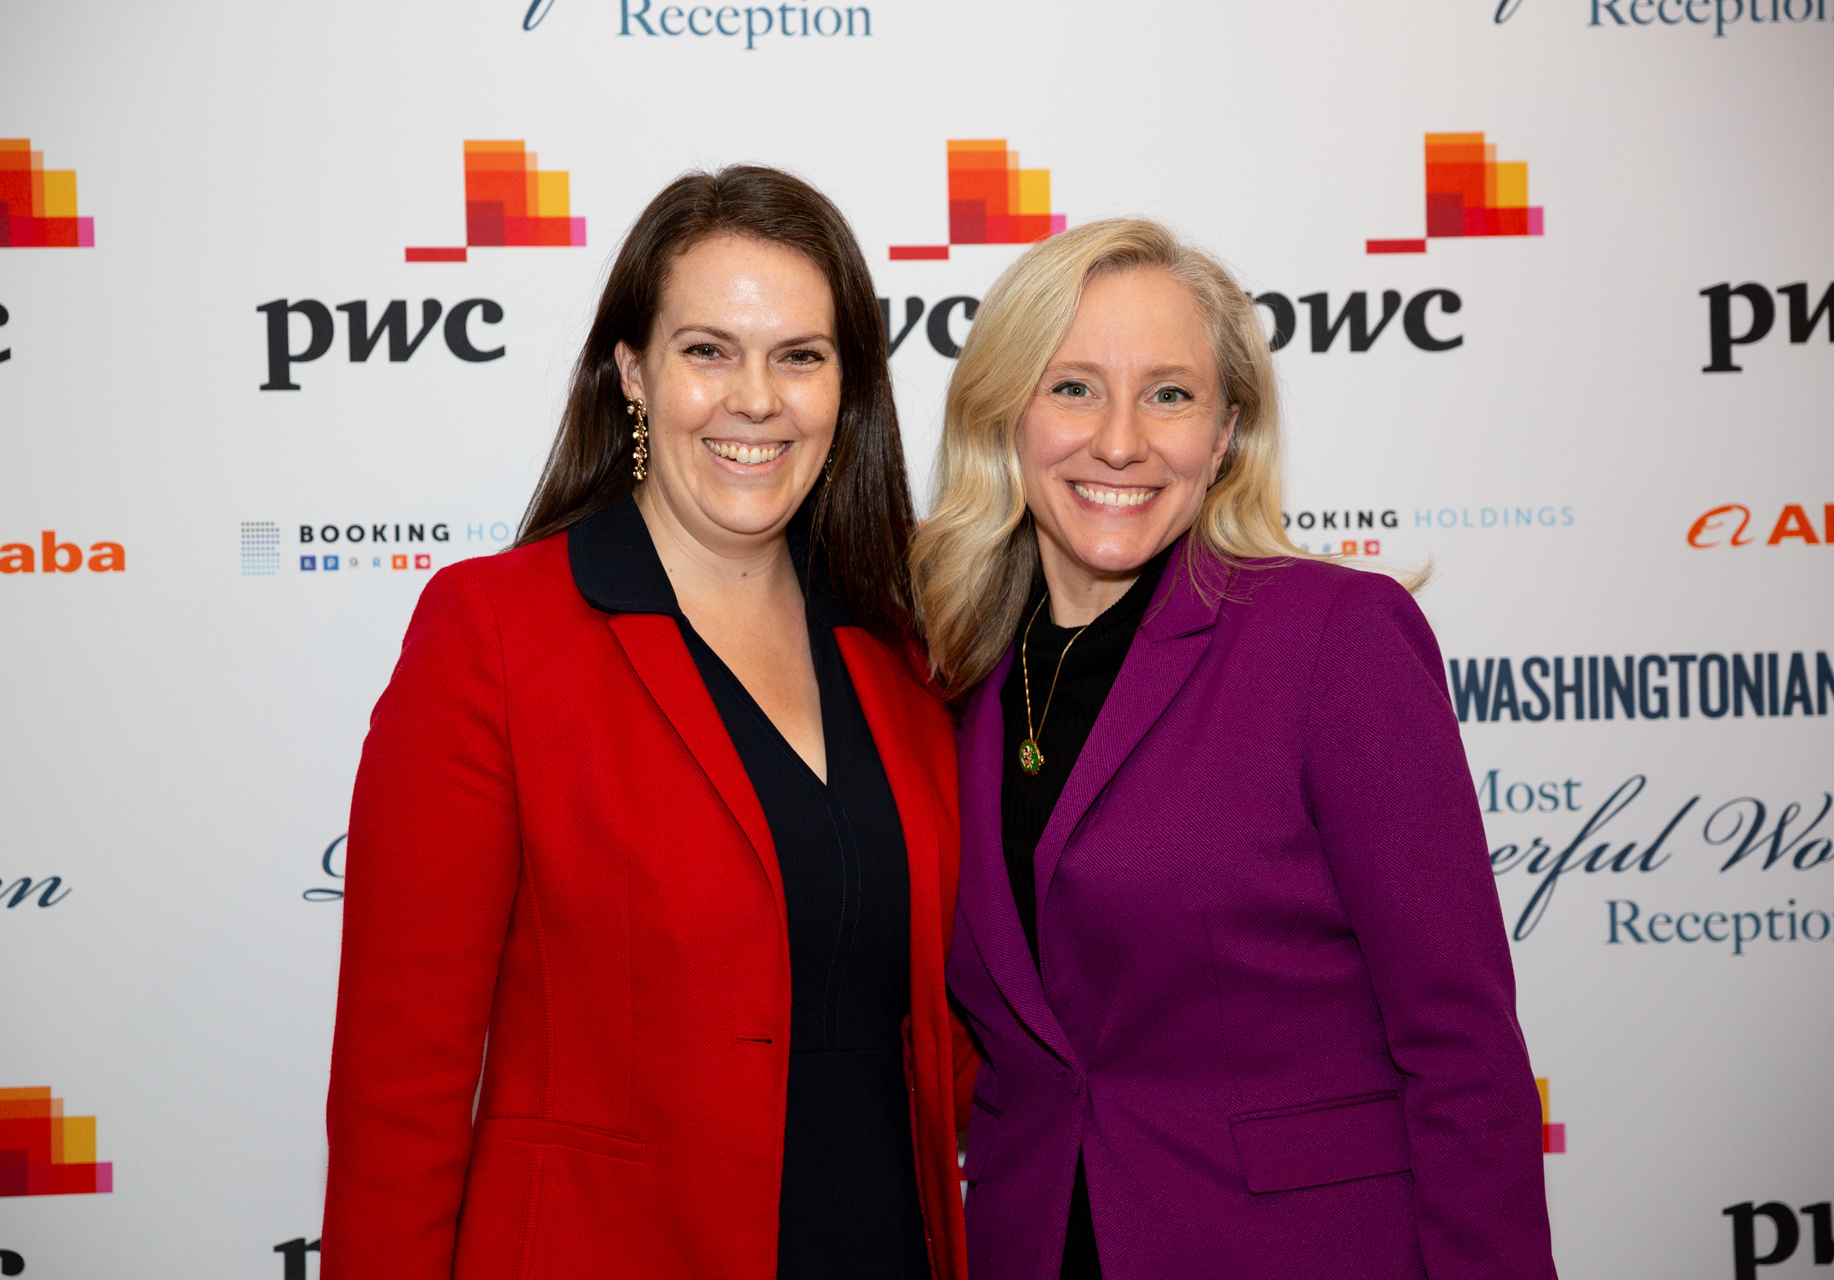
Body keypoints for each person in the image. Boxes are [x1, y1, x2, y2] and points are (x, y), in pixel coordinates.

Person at [321, 166, 970, 1280]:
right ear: (632, 370)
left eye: (800, 356)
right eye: (707, 349)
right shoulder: (495, 633)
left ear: (846, 387)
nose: (755, 398)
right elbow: (399, 1090)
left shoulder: (901, 644)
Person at [911, 218, 1555, 1280]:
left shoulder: (1330, 638)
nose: (1121, 440)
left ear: (1224, 436)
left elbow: (1461, 1045)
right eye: (1072, 387)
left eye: (1170, 394)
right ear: (1003, 416)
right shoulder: (954, 677)